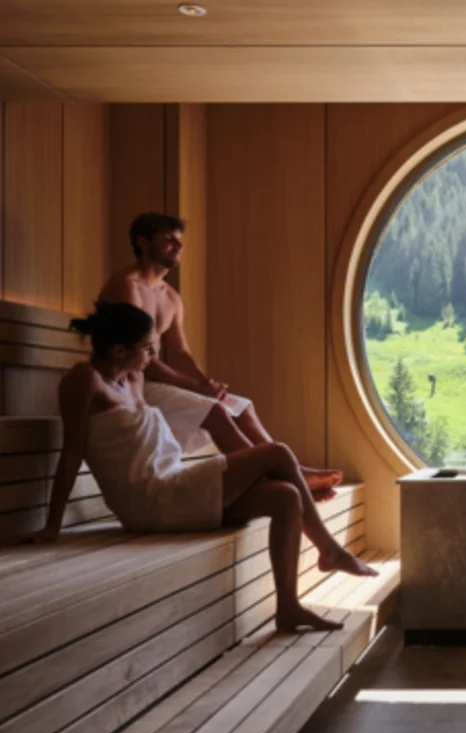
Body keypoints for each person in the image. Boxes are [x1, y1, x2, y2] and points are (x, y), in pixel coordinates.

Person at [16, 303, 377, 632]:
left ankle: (288, 608)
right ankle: (329, 551)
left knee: (284, 498)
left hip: (174, 485)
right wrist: (53, 524)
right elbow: (71, 452)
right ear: (118, 350)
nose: (153, 355)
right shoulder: (83, 382)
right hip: (150, 499)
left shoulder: (133, 378)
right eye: (147, 347)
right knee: (277, 453)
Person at [99, 212, 341, 500]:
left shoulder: (171, 297)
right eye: (168, 241)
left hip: (150, 384)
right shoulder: (128, 285)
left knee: (242, 406)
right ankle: (271, 474)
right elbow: (141, 361)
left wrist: (207, 384)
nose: (178, 246)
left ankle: (292, 472)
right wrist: (197, 390)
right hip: (127, 387)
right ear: (142, 242)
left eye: (179, 241)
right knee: (214, 411)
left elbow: (179, 353)